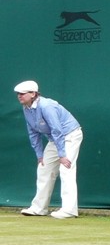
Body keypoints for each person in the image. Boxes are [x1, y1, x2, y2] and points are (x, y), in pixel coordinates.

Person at [14, 80, 84, 219]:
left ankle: (69, 210)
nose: (19, 96)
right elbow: (33, 132)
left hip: (69, 135)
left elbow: (57, 129)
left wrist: (62, 154)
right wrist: (40, 154)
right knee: (44, 168)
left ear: (33, 94)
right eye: (18, 94)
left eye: (23, 93)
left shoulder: (46, 106)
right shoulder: (26, 108)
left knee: (66, 170)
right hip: (55, 139)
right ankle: (39, 208)